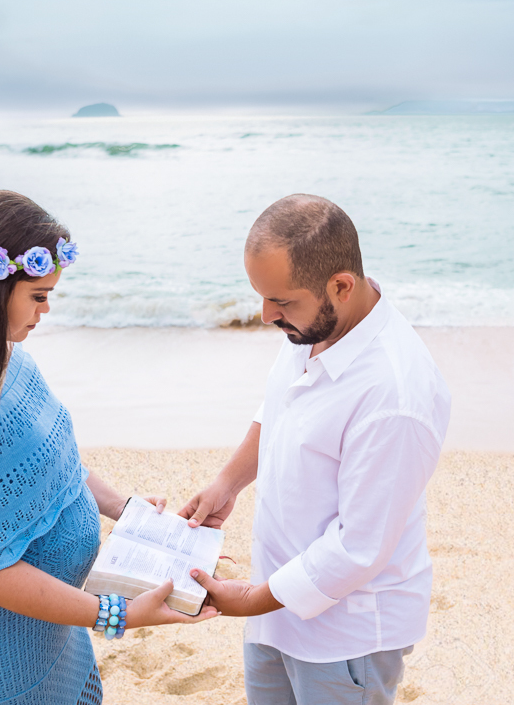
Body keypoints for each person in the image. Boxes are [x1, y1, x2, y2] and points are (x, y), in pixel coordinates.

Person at [0, 190, 217, 705]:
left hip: (49, 628)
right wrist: (115, 613)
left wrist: (130, 512)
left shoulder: (9, 364)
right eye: (38, 295)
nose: (46, 310)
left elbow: (57, 462)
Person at [179, 194, 452, 705]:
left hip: (346, 635)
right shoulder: (315, 326)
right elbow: (278, 408)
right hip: (275, 606)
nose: (265, 315)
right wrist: (227, 483)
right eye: (261, 296)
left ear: (341, 286)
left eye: (280, 301)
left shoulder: (394, 393)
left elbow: (359, 545)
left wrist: (255, 599)